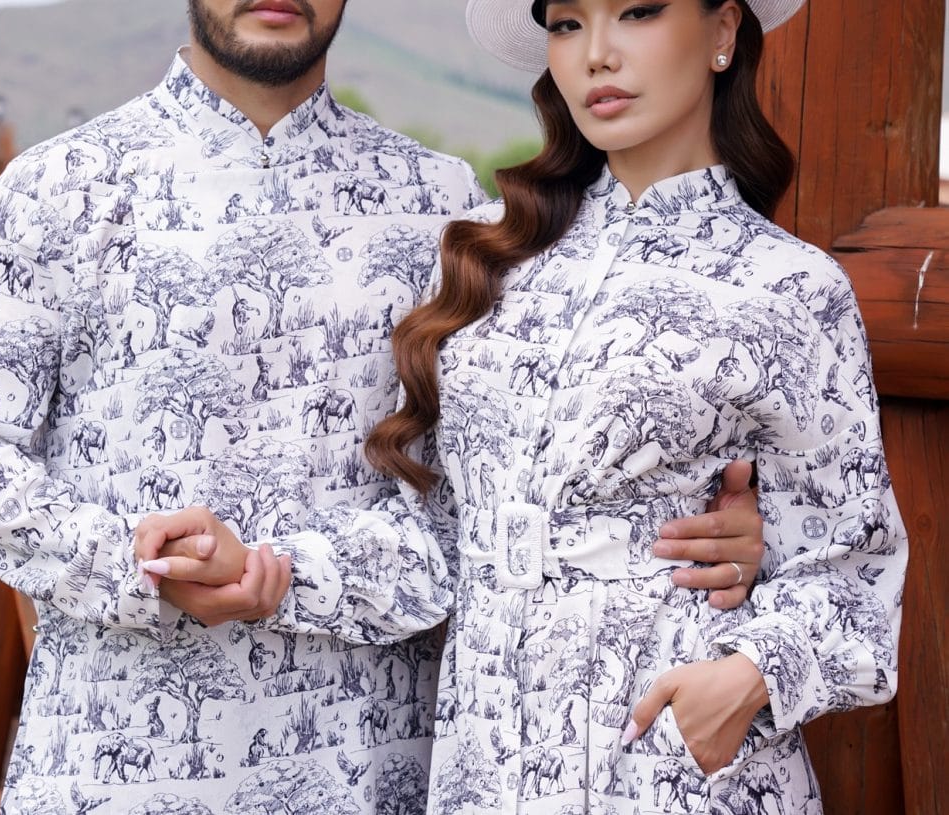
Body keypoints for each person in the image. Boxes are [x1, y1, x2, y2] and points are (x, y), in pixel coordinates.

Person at [0, 1, 766, 812]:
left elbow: (490, 490)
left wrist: (721, 520)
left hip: (373, 764)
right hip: (116, 759)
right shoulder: (57, 189)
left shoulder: (441, 206)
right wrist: (137, 566)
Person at [143, 0, 908, 812]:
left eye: (638, 12)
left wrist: (749, 677)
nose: (597, 56)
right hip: (486, 770)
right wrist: (266, 569)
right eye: (570, 25)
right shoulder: (494, 261)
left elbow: (851, 568)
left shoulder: (790, 288)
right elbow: (444, 536)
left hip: (674, 772)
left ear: (723, 33)